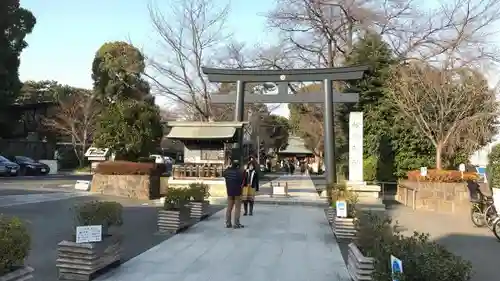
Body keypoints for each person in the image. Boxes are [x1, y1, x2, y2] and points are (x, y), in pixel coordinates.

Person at [222, 160, 244, 229]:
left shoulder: (227, 171)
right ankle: (236, 224)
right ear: (238, 165)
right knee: (237, 208)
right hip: (238, 192)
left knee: (229, 208)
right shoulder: (239, 172)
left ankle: (228, 223)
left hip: (229, 192)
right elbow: (241, 181)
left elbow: (223, 174)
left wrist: (228, 168)